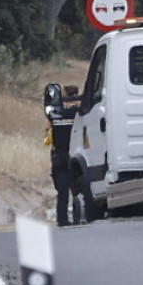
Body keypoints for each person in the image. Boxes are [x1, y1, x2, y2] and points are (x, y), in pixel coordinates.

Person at [45, 85, 80, 226]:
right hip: (76, 155)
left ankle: (63, 220)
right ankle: (79, 217)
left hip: (58, 155)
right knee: (78, 191)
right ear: (77, 95)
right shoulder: (79, 113)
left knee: (63, 192)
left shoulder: (55, 114)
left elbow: (47, 131)